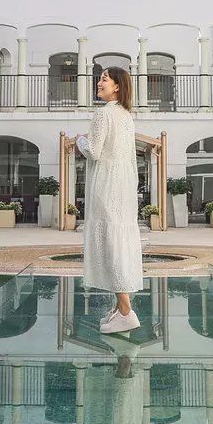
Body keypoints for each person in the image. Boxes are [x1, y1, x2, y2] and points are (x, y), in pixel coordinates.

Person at [76, 67, 143, 334]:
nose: (99, 81)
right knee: (119, 243)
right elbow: (130, 159)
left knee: (111, 245)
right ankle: (120, 308)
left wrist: (80, 139)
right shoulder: (126, 116)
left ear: (117, 86)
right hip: (123, 186)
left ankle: (126, 312)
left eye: (105, 78)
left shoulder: (103, 113)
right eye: (99, 77)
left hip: (105, 185)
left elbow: (93, 151)